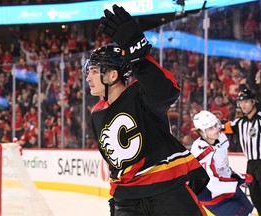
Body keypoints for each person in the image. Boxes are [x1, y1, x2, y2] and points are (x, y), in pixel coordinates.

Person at [82, 4, 209, 216]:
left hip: (166, 194)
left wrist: (137, 53)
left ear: (113, 76)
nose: (88, 77)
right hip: (126, 202)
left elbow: (166, 91)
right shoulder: (96, 113)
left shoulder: (140, 95)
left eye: (94, 71)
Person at [191, 110, 253, 215]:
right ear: (201, 132)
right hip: (212, 195)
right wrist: (238, 181)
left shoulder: (221, 137)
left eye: (216, 125)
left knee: (248, 209)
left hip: (227, 184)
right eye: (210, 128)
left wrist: (234, 175)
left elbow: (223, 165)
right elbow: (212, 184)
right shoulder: (200, 151)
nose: (216, 130)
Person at [222, 88, 261, 216]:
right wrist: (205, 127)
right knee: (256, 200)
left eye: (246, 101)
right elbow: (224, 128)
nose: (243, 105)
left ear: (254, 102)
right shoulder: (240, 123)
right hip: (251, 165)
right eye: (241, 102)